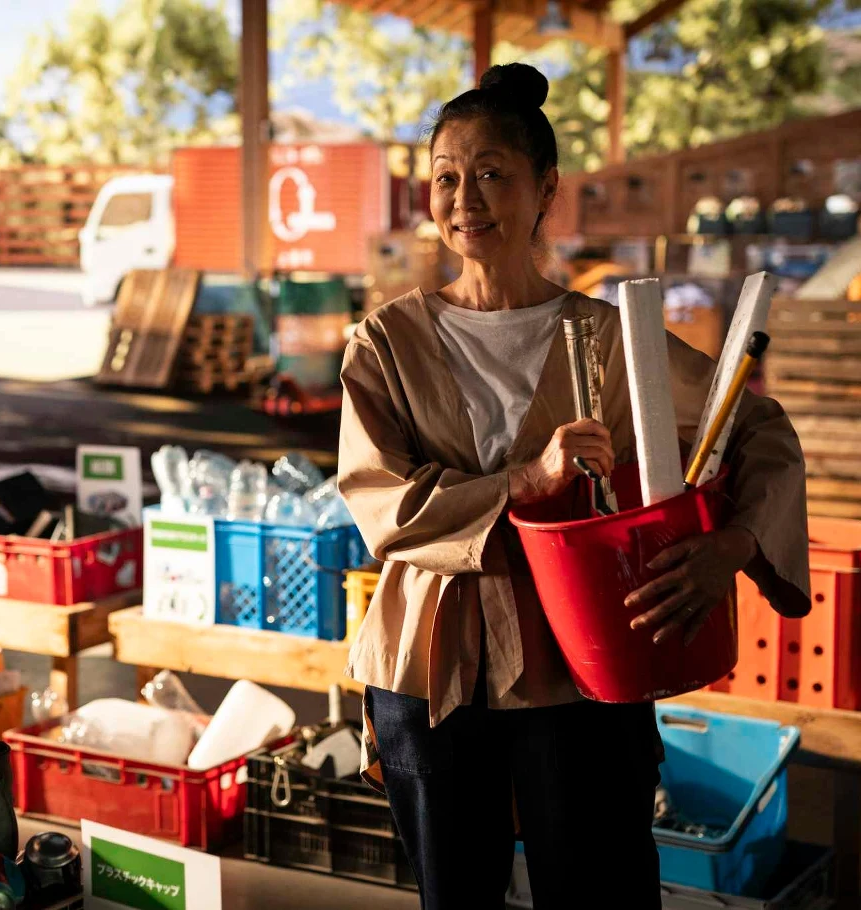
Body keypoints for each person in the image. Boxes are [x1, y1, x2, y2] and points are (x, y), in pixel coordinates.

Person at [337, 63, 812, 910]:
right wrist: (529, 477)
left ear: (544, 188)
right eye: (447, 176)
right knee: (456, 897)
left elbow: (759, 429)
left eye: (491, 173)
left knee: (599, 893)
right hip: (430, 666)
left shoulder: (612, 338)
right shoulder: (386, 342)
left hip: (582, 659)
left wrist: (732, 546)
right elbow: (383, 501)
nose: (465, 198)